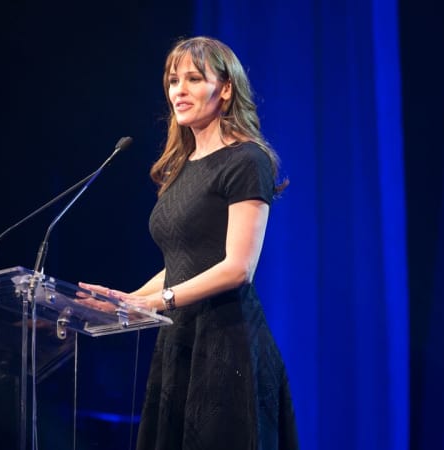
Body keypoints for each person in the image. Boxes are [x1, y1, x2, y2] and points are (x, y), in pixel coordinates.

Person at [80, 36, 298, 450]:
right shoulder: (180, 169)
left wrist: (156, 301)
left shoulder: (246, 160)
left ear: (226, 88)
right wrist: (127, 301)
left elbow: (238, 267)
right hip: (179, 340)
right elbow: (186, 261)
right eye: (173, 80)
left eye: (193, 79)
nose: (179, 90)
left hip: (225, 346)